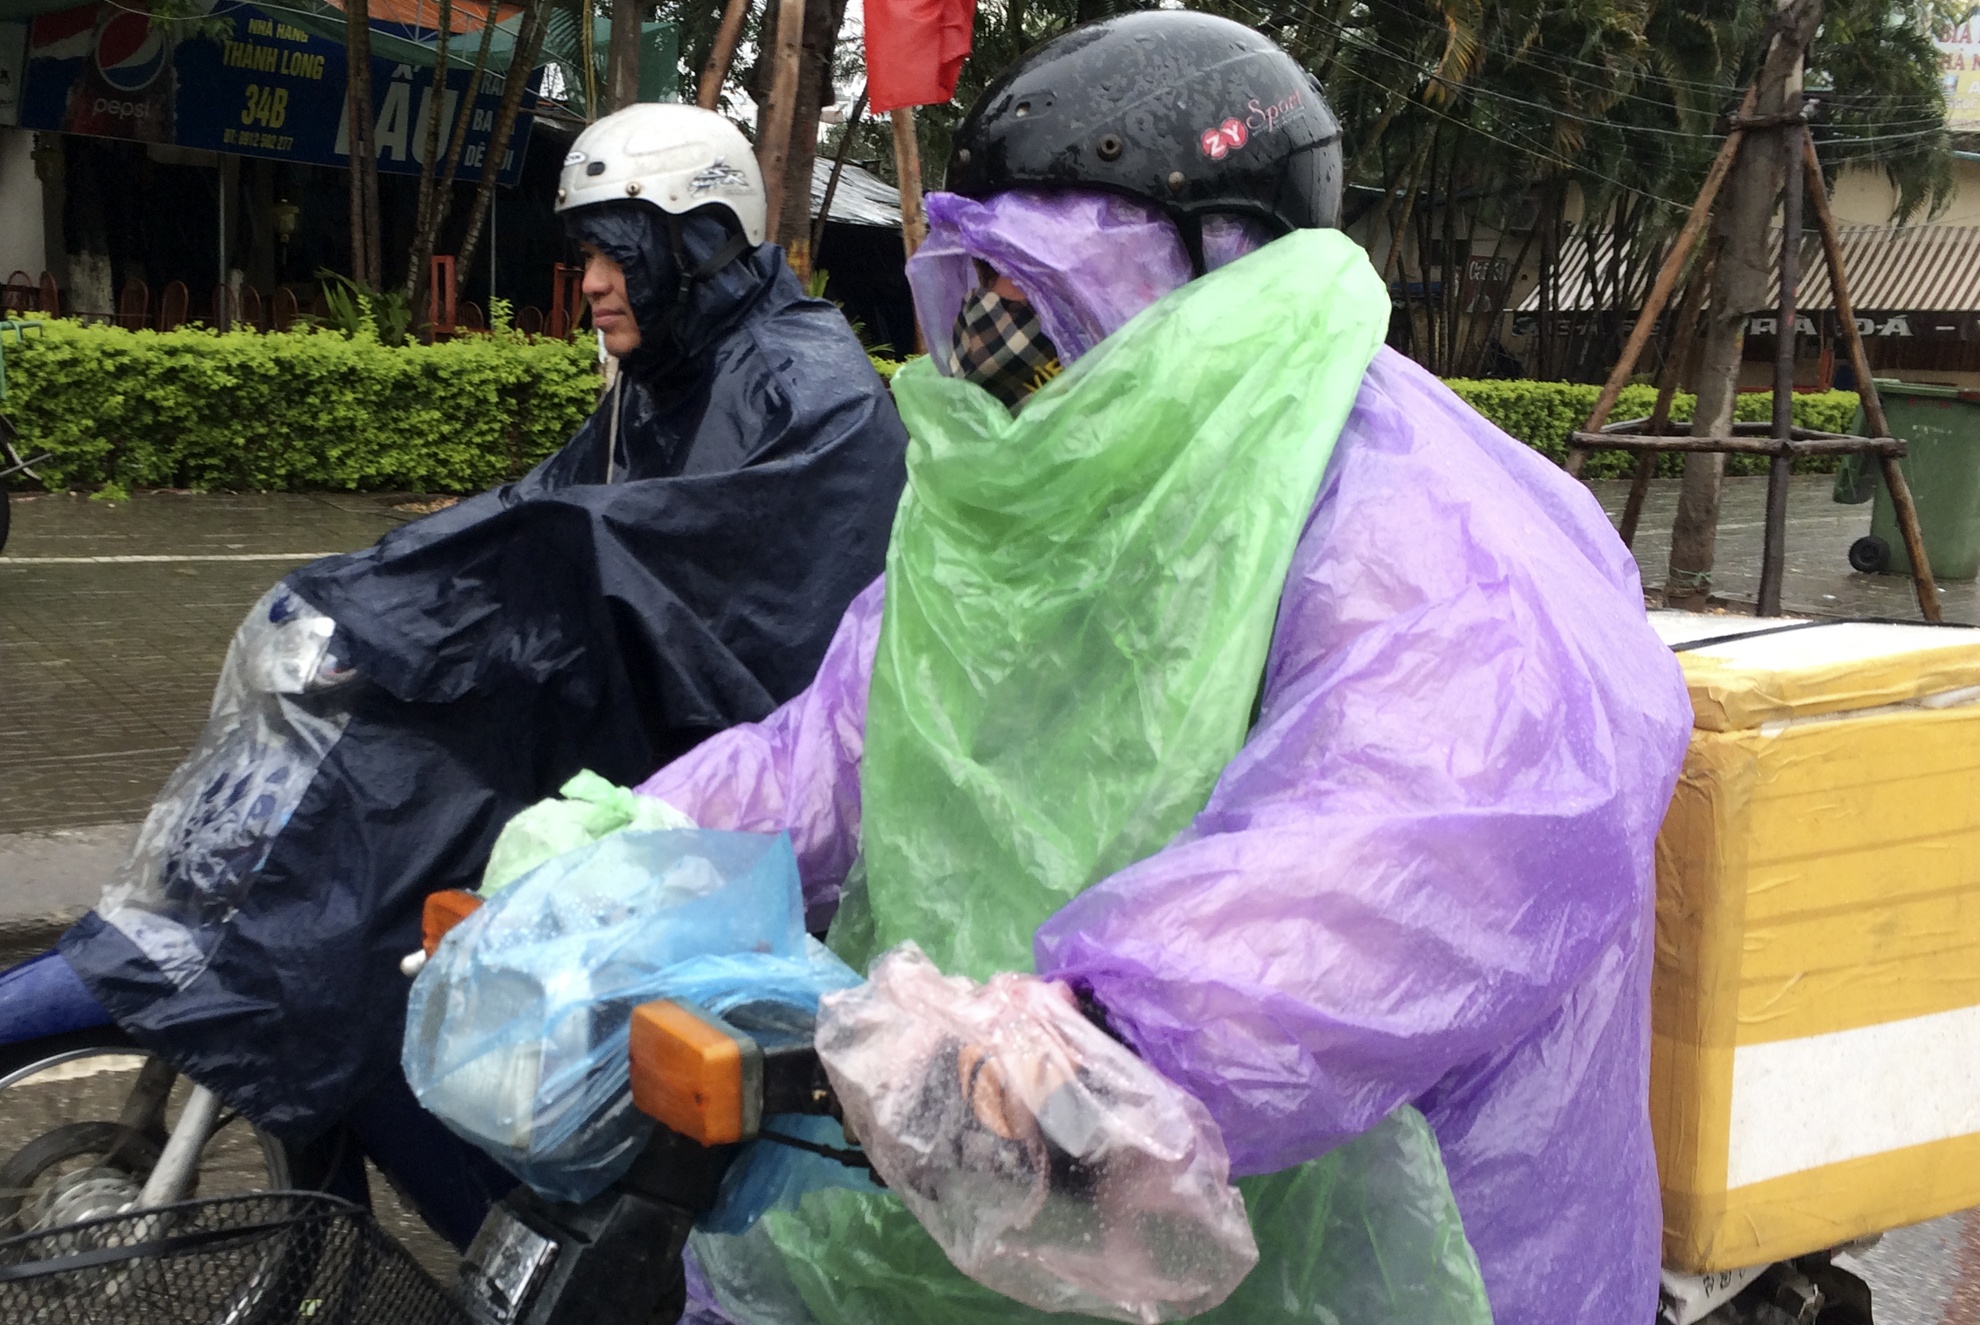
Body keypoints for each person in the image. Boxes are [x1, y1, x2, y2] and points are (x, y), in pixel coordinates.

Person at [629, 16, 1693, 1325]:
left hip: (1366, 1261)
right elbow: (841, 744)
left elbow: (1411, 856)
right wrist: (627, 862)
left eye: (1047, 283)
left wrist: (1101, 1036)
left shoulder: (1437, 530)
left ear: (1225, 263)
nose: (998, 341)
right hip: (997, 1198)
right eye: (980, 287)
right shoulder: (1039, 503)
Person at [53, 103, 909, 1241]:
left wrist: (456, 604)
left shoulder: (809, 389)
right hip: (647, 760)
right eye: (586, 254)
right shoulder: (659, 376)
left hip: (753, 808)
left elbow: (653, 564)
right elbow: (538, 506)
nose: (591, 283)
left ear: (699, 241)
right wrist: (377, 585)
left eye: (616, 253)